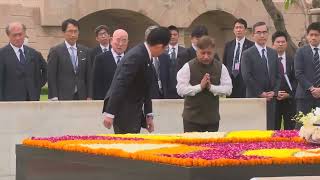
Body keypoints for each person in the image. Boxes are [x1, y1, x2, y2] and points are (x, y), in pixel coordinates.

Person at [102, 27, 171, 134]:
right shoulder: (137, 56)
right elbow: (120, 84)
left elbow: (146, 86)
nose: (163, 52)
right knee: (127, 147)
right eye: (164, 48)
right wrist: (110, 114)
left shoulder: (146, 55)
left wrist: (149, 115)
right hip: (124, 112)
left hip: (134, 111)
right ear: (159, 46)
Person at [176, 36, 232, 132]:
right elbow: (180, 89)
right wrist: (199, 87)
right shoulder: (188, 67)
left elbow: (228, 89)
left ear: (214, 52)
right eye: (203, 53)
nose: (206, 56)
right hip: (191, 119)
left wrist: (211, 87)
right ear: (197, 51)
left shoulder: (221, 67)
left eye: (209, 53)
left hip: (212, 119)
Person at [241, 21, 281, 130]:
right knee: (255, 130)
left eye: (264, 32)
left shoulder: (273, 53)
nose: (262, 35)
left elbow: (278, 75)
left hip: (271, 99)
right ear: (253, 35)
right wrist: (261, 93)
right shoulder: (247, 54)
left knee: (269, 129)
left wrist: (274, 92)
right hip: (255, 98)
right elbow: (247, 76)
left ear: (268, 34)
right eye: (259, 32)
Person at [0, 22, 47, 101]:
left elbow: (46, 69)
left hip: (32, 98)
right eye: (14, 35)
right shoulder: (2, 54)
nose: (18, 38)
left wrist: (37, 85)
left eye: (20, 34)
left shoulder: (34, 53)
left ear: (25, 34)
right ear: (8, 35)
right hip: (10, 101)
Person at [47, 18, 92, 100]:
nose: (73, 34)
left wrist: (89, 95)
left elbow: (89, 76)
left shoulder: (85, 51)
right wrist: (53, 96)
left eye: (76, 31)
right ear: (64, 33)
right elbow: (51, 76)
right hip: (63, 96)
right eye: (70, 31)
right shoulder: (55, 51)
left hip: (82, 95)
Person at [295, 22, 320, 128]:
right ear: (307, 36)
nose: (313, 37)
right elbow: (298, 73)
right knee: (302, 126)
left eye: (316, 35)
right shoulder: (301, 52)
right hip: (304, 96)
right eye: (311, 35)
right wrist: (312, 88)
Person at [92, 29, 128, 100]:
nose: (120, 44)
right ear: (111, 40)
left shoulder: (131, 58)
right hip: (107, 101)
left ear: (127, 42)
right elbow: (97, 84)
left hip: (127, 102)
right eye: (118, 40)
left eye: (124, 41)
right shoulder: (100, 58)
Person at [223, 18, 254, 98]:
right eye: (236, 28)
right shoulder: (228, 45)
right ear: (233, 30)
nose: (238, 30)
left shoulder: (252, 46)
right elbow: (225, 63)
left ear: (245, 30)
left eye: (241, 27)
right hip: (231, 81)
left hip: (244, 82)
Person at [272, 31, 297, 130]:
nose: (281, 44)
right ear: (273, 44)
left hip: (289, 100)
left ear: (287, 43)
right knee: (273, 129)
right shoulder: (268, 60)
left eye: (283, 42)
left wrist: (289, 94)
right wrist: (275, 92)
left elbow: (296, 79)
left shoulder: (293, 60)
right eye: (278, 42)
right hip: (274, 100)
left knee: (290, 129)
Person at [165, 25, 186, 98]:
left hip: (181, 88)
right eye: (170, 35)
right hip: (167, 89)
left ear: (178, 36)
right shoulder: (162, 52)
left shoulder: (185, 51)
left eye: (175, 35)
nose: (172, 37)